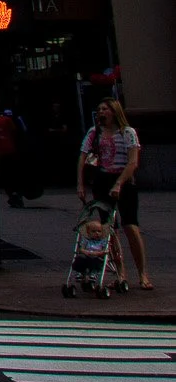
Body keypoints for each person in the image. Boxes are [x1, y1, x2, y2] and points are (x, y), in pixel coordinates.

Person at [80, 98, 151, 290]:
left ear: (114, 112)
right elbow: (83, 156)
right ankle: (120, 273)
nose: (101, 112)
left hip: (124, 181)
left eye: (105, 109)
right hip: (103, 180)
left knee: (130, 225)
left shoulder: (127, 133)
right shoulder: (95, 133)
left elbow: (133, 162)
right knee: (109, 228)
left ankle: (142, 273)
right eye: (99, 109)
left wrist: (119, 183)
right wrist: (81, 184)